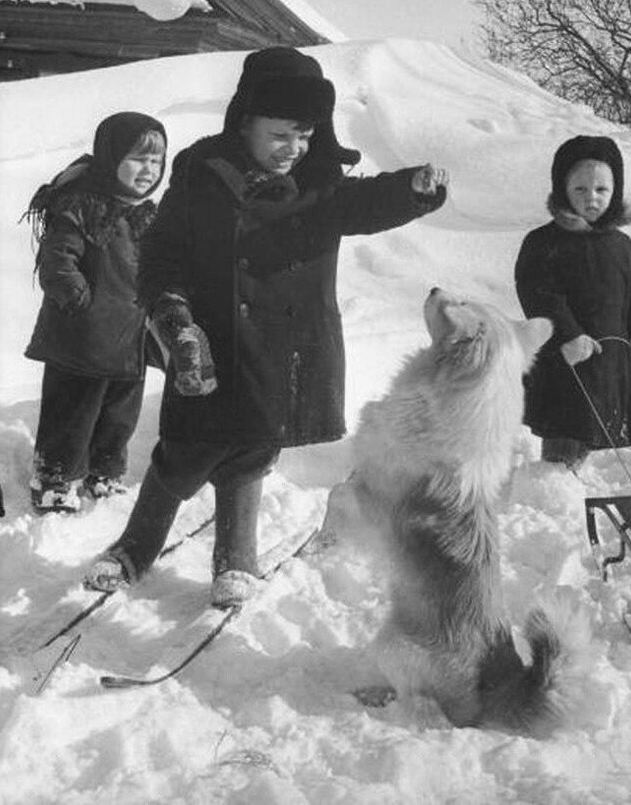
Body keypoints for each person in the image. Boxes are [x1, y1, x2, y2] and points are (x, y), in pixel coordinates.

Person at [85, 46, 449, 608]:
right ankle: (134, 547)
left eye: (305, 135)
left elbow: (366, 202)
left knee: (254, 448)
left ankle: (236, 559)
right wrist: (171, 312)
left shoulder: (321, 185)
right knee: (185, 450)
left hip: (283, 349)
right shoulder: (202, 174)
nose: (293, 148)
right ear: (245, 122)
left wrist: (411, 190)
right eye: (280, 134)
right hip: (208, 342)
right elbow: (161, 253)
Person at [24, 112, 167, 512]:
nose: (148, 169)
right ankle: (54, 478)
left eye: (156, 160)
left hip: (129, 338)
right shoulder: (82, 206)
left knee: (119, 414)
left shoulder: (146, 214)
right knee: (73, 413)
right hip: (81, 340)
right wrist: (80, 302)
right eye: (137, 158)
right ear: (110, 156)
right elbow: (58, 259)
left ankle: (104, 472)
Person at [514, 135, 631, 470]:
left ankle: (604, 489)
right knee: (568, 432)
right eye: (580, 189)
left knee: (614, 436)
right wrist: (567, 335)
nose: (591, 198)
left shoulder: (621, 245)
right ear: (562, 189)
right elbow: (539, 293)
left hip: (612, 363)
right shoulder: (543, 243)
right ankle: (556, 488)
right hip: (568, 361)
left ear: (615, 191)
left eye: (601, 189)